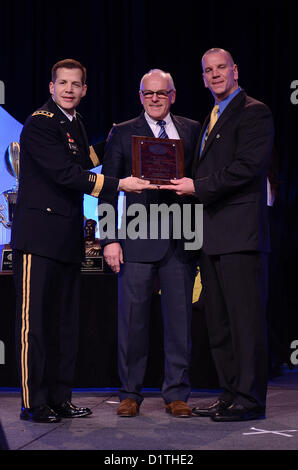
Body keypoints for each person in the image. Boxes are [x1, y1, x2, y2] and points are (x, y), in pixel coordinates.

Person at [11, 59, 151, 423]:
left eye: (76, 84)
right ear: (51, 87)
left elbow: (91, 157)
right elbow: (65, 173)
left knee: (63, 325)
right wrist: (119, 183)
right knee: (35, 325)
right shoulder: (39, 123)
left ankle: (60, 398)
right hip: (38, 238)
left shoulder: (75, 123)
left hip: (66, 237)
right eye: (63, 83)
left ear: (84, 90)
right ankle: (33, 402)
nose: (69, 89)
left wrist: (130, 134)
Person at [162, 49, 274, 421]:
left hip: (241, 235)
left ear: (235, 70)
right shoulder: (210, 116)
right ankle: (229, 393)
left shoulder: (254, 111)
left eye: (220, 68)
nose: (214, 75)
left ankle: (251, 399)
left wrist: (197, 186)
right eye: (208, 70)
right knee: (220, 324)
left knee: (245, 322)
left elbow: (246, 167)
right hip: (211, 236)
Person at [100, 69, 201, 417]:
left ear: (173, 95)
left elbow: (201, 185)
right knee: (132, 321)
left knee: (180, 321)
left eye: (162, 93)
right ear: (140, 97)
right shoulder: (123, 131)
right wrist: (109, 238)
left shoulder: (192, 129)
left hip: (182, 238)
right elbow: (109, 189)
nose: (155, 98)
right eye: (148, 93)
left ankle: (177, 393)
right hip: (137, 238)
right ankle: (130, 392)